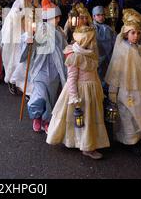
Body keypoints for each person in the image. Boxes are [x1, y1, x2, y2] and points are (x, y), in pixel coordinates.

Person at [47, 23, 110, 160]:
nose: (94, 42)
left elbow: (94, 73)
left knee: (90, 117)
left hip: (92, 89)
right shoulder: (75, 55)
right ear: (85, 40)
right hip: (81, 91)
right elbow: (72, 78)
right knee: (83, 117)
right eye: (91, 40)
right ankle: (87, 146)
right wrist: (74, 97)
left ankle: (88, 142)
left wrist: (98, 88)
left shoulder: (91, 53)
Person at [105, 9, 141, 148]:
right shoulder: (122, 50)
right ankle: (130, 140)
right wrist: (113, 92)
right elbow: (116, 71)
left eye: (138, 33)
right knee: (128, 115)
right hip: (127, 88)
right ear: (126, 33)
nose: (136, 36)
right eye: (132, 33)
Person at [20, 0, 67, 133]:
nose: (58, 20)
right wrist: (28, 40)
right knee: (40, 96)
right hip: (40, 69)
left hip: (55, 70)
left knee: (51, 98)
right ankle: (36, 117)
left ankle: (46, 120)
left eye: (58, 17)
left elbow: (64, 49)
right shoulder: (39, 29)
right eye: (55, 17)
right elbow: (28, 42)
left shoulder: (60, 32)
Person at [1, 0, 40, 96]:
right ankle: (14, 82)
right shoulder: (17, 8)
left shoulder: (35, 8)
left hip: (30, 38)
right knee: (17, 62)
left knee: (29, 63)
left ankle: (28, 88)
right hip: (18, 40)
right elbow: (11, 21)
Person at [92, 6, 116, 94]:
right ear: (93, 16)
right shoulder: (91, 29)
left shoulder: (109, 29)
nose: (101, 17)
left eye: (102, 15)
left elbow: (115, 43)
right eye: (98, 15)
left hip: (108, 59)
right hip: (96, 59)